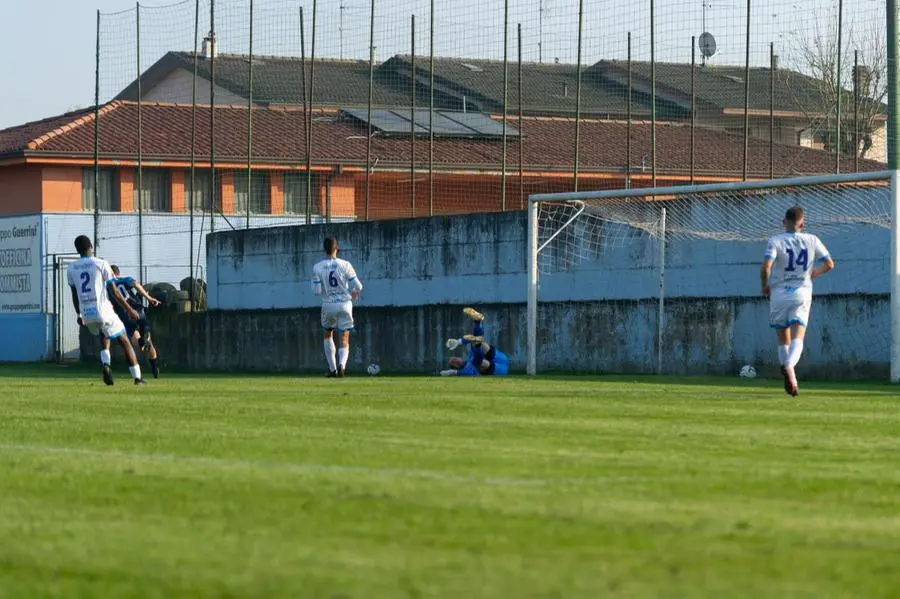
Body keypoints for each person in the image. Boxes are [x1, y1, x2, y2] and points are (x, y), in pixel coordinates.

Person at [761, 206, 834, 397]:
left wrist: (765, 285)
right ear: (802, 223)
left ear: (784, 222)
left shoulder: (775, 241)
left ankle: (788, 373)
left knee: (782, 338)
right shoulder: (812, 239)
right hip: (801, 292)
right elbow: (829, 264)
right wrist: (816, 273)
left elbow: (766, 267)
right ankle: (789, 366)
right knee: (798, 337)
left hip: (778, 294)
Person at [66, 235, 146, 386]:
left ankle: (106, 364)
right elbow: (114, 291)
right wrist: (129, 310)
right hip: (103, 309)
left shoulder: (71, 268)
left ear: (77, 250)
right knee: (124, 340)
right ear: (90, 246)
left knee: (104, 335)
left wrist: (79, 314)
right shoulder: (101, 263)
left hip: (87, 313)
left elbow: (74, 294)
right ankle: (137, 378)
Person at [311, 236, 363, 377]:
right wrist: (354, 293)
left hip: (328, 305)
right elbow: (358, 286)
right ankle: (342, 365)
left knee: (328, 334)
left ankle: (332, 369)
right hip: (345, 304)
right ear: (337, 248)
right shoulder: (345, 264)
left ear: (325, 250)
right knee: (344, 336)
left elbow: (316, 292)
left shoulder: (317, 267)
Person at [108, 265, 162, 379]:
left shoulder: (108, 285)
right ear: (118, 273)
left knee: (135, 342)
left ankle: (142, 341)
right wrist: (149, 298)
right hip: (138, 310)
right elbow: (136, 284)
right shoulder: (125, 279)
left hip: (126, 315)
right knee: (149, 342)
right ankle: (154, 369)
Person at [441, 307, 510, 377]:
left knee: (475, 344)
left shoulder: (470, 357)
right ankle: (477, 323)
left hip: (499, 358)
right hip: (498, 370)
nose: (455, 360)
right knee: (476, 360)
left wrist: (458, 342)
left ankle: (477, 321)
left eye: (454, 359)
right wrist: (451, 372)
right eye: (453, 362)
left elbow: (473, 340)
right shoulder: (465, 371)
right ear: (456, 366)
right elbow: (453, 372)